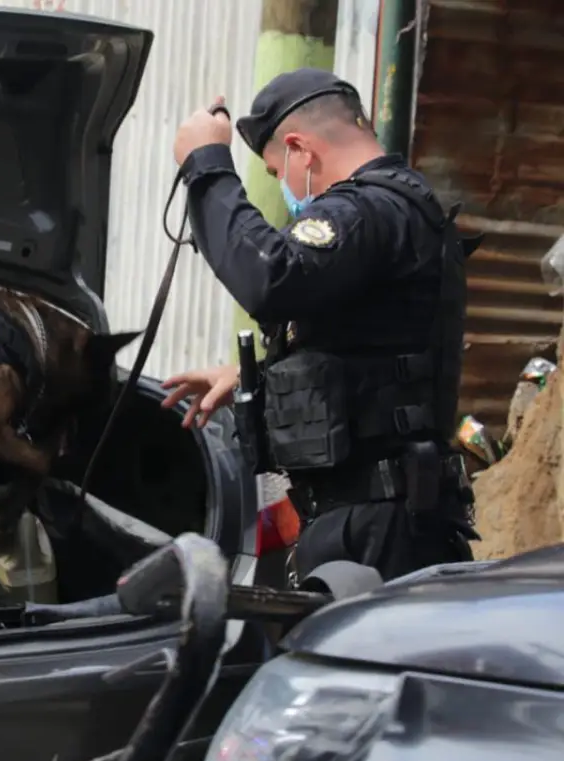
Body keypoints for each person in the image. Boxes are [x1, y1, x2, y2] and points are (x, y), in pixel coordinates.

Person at [160, 68, 480, 583]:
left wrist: (207, 166)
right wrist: (254, 377)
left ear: (299, 150)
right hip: (377, 517)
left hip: (380, 527)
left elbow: (271, 275)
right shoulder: (396, 210)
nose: (282, 188)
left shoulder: (368, 210)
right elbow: (369, 352)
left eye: (273, 172)